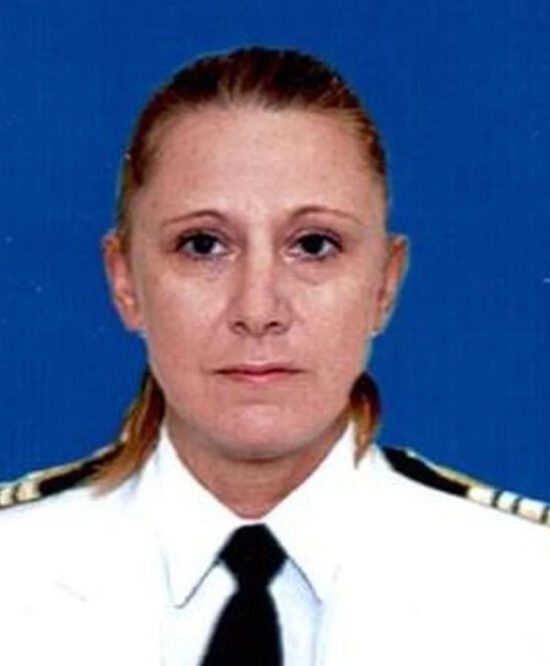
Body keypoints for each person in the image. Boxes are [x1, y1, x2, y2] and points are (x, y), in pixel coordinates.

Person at [0, 46, 548, 666]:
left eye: (313, 245)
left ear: (385, 284)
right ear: (125, 281)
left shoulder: (530, 590)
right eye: (202, 245)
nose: (258, 308)